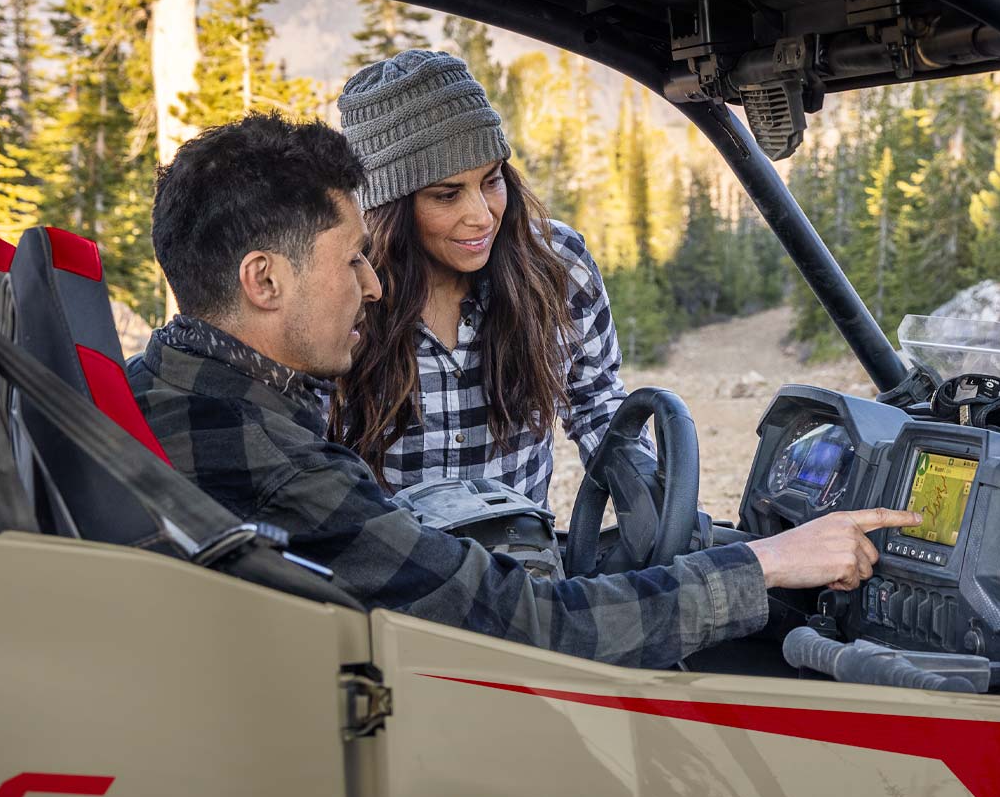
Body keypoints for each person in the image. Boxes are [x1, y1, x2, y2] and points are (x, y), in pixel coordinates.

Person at [129, 113, 915, 668]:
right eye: (352, 260)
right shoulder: (276, 460)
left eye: (491, 181)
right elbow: (526, 627)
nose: (371, 286)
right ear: (264, 280)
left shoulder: (174, 389)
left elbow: (597, 416)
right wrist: (764, 563)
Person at [328, 49, 638, 509]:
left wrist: (645, 491)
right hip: (387, 553)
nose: (482, 215)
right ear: (388, 209)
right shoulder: (340, 290)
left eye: (491, 181)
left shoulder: (557, 263)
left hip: (522, 552)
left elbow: (597, 400)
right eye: (447, 195)